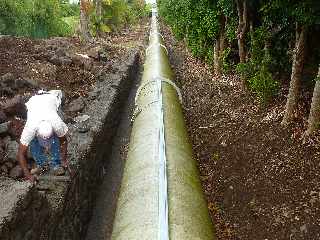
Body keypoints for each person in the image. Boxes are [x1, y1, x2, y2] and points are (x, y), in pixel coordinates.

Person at [17, 90, 68, 182]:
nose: (46, 145)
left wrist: (63, 159)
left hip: (52, 100)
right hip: (34, 103)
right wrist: (27, 175)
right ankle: (41, 164)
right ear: (37, 133)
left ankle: (55, 164)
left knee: (57, 139)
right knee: (33, 141)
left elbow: (63, 141)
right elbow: (21, 153)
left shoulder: (57, 124)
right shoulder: (30, 128)